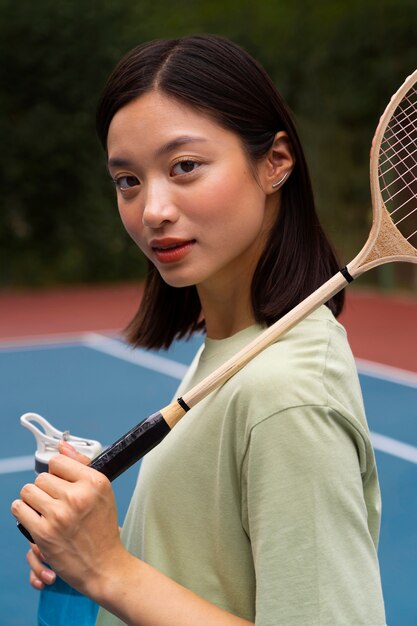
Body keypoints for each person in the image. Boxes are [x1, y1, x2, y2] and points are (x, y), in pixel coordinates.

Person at [12, 35, 387, 625]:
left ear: (276, 162)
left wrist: (112, 569)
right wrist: (90, 559)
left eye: (184, 166)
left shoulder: (285, 393)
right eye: (127, 180)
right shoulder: (237, 345)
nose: (152, 209)